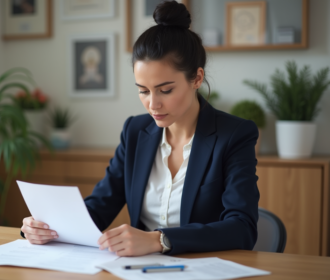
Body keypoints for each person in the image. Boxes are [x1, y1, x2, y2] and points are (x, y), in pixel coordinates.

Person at [21, 1, 259, 257]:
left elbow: (242, 228)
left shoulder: (234, 135)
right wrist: (46, 227)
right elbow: (100, 206)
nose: (153, 104)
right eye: (143, 91)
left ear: (197, 78)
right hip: (137, 270)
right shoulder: (135, 131)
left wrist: (161, 240)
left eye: (165, 90)